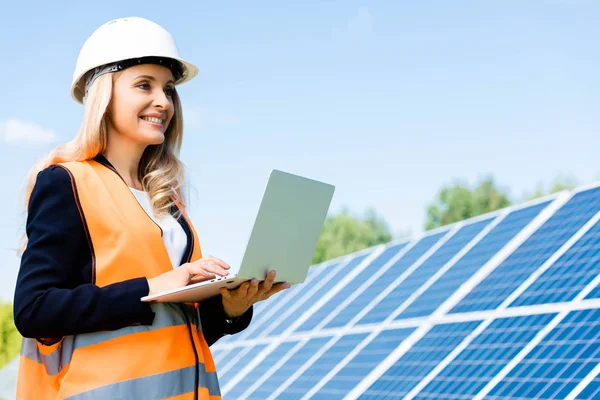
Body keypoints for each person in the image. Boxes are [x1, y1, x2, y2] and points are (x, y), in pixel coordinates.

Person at [13, 16, 290, 400]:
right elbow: (34, 309)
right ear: (103, 94)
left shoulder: (165, 199)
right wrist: (153, 287)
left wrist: (230, 306)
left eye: (169, 89)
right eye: (144, 85)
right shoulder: (67, 182)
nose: (163, 101)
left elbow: (174, 328)